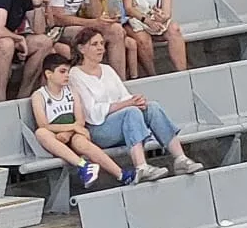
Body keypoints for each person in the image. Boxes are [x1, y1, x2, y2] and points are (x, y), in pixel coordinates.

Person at [68, 29, 199, 179]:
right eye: (94, 44)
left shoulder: (107, 69)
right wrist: (128, 105)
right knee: (131, 111)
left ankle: (180, 159)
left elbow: (124, 97)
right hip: (99, 129)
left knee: (152, 107)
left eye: (102, 44)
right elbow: (91, 113)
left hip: (123, 120)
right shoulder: (75, 75)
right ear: (81, 48)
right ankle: (141, 167)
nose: (100, 48)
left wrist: (137, 101)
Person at [28, 53, 128, 189]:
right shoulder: (39, 95)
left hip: (72, 134)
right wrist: (71, 128)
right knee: (41, 133)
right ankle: (84, 166)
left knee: (81, 141)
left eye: (68, 72)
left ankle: (122, 174)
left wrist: (69, 133)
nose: (67, 75)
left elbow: (80, 120)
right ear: (48, 74)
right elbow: (44, 124)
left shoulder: (72, 91)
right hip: (54, 138)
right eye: (62, 72)